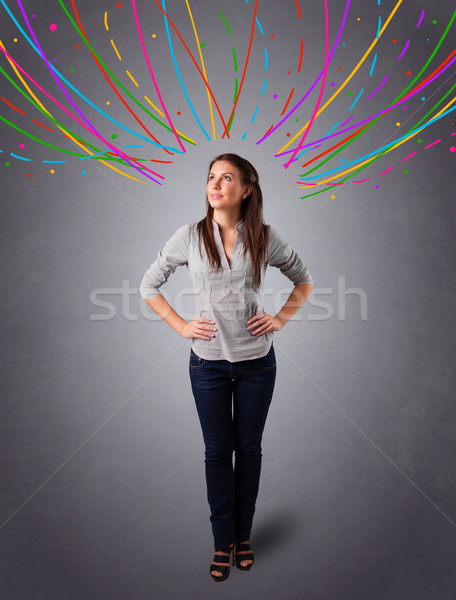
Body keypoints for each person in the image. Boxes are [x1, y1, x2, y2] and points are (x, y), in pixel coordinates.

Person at [139, 153, 314, 581]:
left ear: (246, 189)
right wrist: (182, 326)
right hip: (208, 366)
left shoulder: (265, 237)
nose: (215, 185)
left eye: (226, 178)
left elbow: (304, 280)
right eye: (211, 178)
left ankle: (244, 536)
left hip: (257, 364)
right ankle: (222, 543)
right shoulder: (189, 236)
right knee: (217, 453)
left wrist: (279, 319)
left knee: (249, 451)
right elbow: (149, 285)